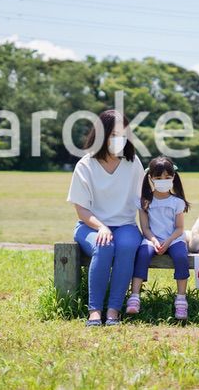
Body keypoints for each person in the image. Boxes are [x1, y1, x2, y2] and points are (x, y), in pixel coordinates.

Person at [67, 109, 144, 327]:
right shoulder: (85, 165)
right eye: (114, 135)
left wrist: (150, 233)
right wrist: (101, 227)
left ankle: (113, 310)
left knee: (126, 246)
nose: (120, 140)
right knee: (104, 246)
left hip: (125, 226)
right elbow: (82, 210)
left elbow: (142, 203)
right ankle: (94, 311)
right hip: (90, 226)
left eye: (123, 135)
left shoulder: (133, 163)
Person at [125, 157, 191, 320]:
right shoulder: (144, 201)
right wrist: (154, 241)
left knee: (181, 257)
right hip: (151, 238)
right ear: (151, 178)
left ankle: (181, 299)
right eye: (158, 177)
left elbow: (179, 228)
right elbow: (145, 228)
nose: (163, 181)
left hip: (174, 239)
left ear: (173, 177)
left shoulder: (177, 202)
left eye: (167, 177)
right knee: (142, 255)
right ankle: (134, 296)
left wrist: (167, 242)